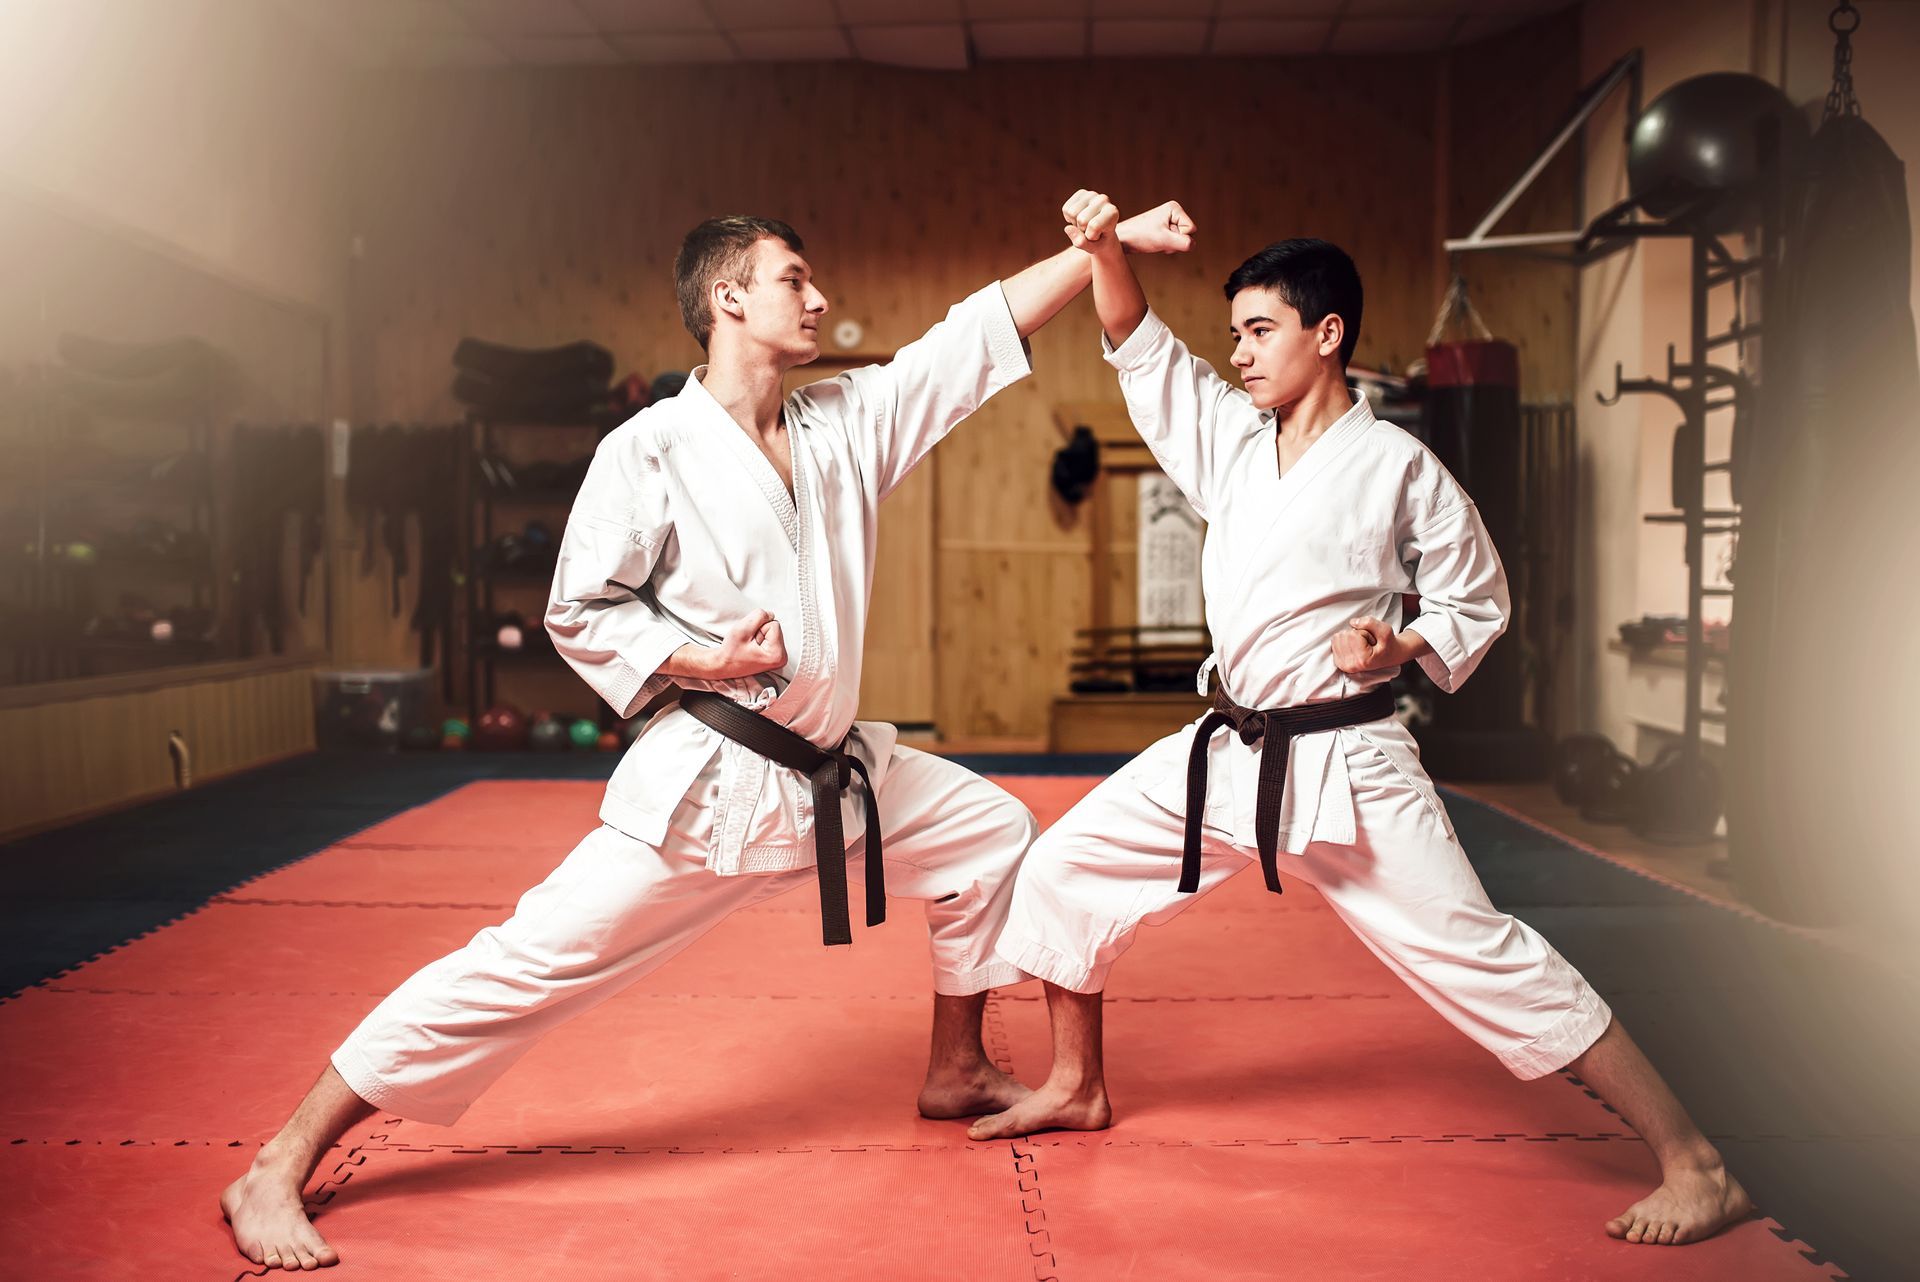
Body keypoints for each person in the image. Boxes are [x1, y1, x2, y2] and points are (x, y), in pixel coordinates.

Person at [219, 203, 1194, 1271]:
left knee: (991, 831)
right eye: (796, 278)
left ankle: (955, 1064)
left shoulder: (843, 424)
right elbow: (579, 608)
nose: (819, 299)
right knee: (522, 967)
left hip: (838, 772)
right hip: (714, 786)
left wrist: (1097, 250)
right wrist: (700, 661)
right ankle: (281, 1158)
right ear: (730, 298)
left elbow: (970, 338)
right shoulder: (648, 449)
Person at [973, 190, 1754, 1248]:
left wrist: (1405, 646)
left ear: (1326, 332)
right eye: (1235, 333)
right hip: (1228, 747)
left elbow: (1477, 595)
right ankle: (1076, 1082)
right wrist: (1103, 249)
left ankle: (1698, 1163)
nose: (1240, 354)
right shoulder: (1231, 448)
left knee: (1485, 956)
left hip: (1348, 762)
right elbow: (1138, 344)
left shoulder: (1398, 468)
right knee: (1066, 870)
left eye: (1260, 330)